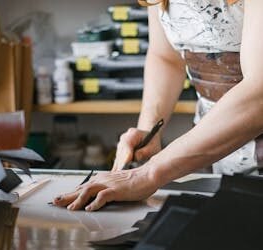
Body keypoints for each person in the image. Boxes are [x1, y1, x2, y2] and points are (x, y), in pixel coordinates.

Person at [53, 0, 263, 211]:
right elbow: (166, 58)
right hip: (215, 145)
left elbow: (258, 93)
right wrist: (149, 130)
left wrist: (148, 174)